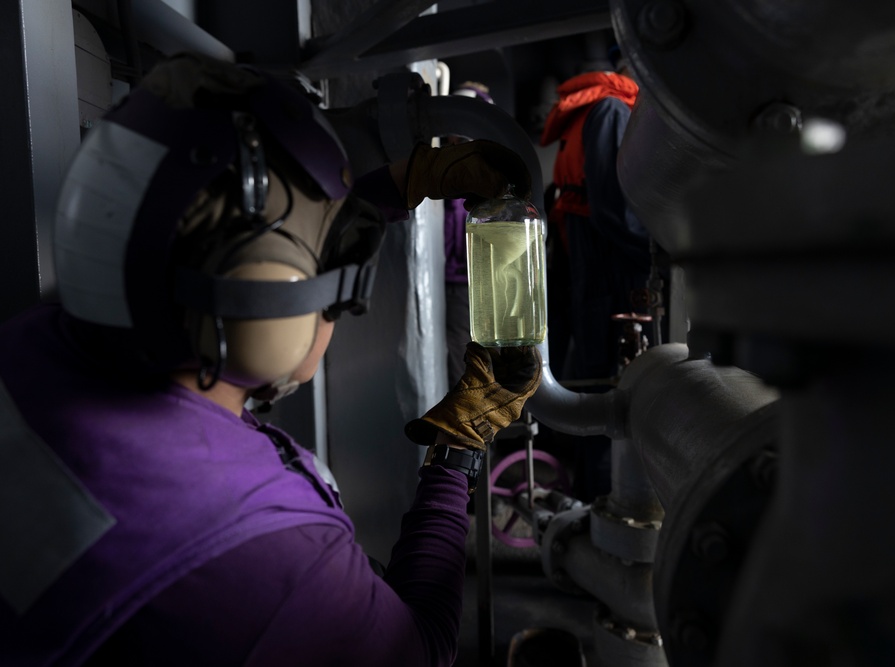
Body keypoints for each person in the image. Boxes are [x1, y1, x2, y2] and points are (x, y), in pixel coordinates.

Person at [0, 52, 540, 667]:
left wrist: (399, 184)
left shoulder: (35, 341)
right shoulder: (276, 558)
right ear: (271, 299)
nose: (341, 282)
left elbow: (190, 249)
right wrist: (455, 451)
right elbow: (422, 651)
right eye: (326, 262)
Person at [539, 48, 651, 500]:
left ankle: (594, 496)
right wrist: (654, 251)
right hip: (604, 263)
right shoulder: (609, 109)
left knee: (597, 379)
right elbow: (613, 210)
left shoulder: (597, 108)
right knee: (610, 385)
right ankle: (603, 502)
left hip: (585, 256)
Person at [442, 81, 495, 386]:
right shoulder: (444, 167)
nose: (455, 140)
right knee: (459, 364)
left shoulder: (484, 174)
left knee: (467, 368)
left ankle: (473, 432)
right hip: (452, 282)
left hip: (468, 285)